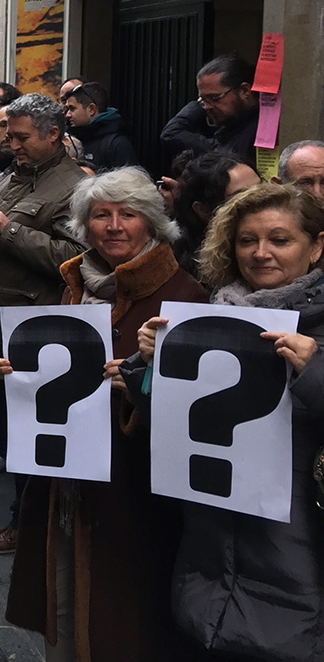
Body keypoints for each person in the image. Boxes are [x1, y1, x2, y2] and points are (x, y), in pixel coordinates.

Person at [0, 167, 205, 662]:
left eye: (128, 214)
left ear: (152, 223)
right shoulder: (76, 284)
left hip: (132, 494)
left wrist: (137, 385)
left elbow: (194, 412)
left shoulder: (184, 296)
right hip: (66, 486)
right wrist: (23, 370)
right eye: (101, 215)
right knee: (65, 608)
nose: (114, 226)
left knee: (120, 621)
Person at [124, 183, 324, 662]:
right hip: (208, 553)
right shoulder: (212, 315)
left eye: (280, 240)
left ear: (316, 246)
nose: (261, 253)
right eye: (247, 240)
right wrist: (148, 366)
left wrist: (314, 372)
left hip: (298, 557)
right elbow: (173, 434)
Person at [0, 93, 85, 554]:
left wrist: (11, 230)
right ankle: (30, 519)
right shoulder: (8, 174)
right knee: (12, 426)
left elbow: (77, 259)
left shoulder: (74, 188)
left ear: (53, 135)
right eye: (8, 133)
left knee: (33, 433)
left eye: (22, 136)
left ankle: (28, 524)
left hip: (36, 328)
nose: (11, 141)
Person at [171, 152, 261, 276]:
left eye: (261, 189)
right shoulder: (189, 279)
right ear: (204, 211)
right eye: (242, 198)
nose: (261, 202)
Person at [160, 54, 260, 165]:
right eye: (203, 100)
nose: (206, 107)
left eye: (214, 98)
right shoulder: (230, 125)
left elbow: (172, 133)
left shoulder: (259, 132)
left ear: (245, 91)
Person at [60, 82, 138, 171]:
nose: (68, 115)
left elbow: (129, 182)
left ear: (91, 109)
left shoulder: (117, 144)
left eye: (72, 109)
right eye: (67, 109)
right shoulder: (74, 138)